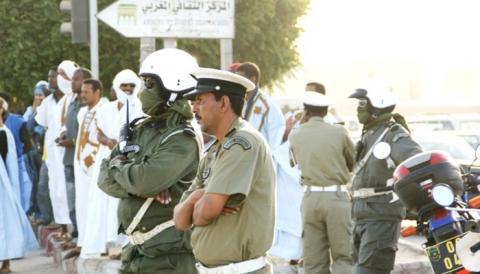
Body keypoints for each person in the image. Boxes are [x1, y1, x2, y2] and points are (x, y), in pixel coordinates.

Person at [98, 48, 202, 274]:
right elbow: (103, 178)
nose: (142, 91)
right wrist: (136, 184)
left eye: (149, 84)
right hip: (136, 253)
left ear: (173, 88)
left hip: (168, 259)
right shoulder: (141, 128)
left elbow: (144, 181)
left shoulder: (182, 139)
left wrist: (122, 169)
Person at [174, 68, 276, 274]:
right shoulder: (215, 150)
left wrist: (203, 202)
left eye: (200, 100)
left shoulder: (242, 143)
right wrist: (196, 197)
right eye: (193, 102)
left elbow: (206, 213)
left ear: (224, 103)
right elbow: (180, 220)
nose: (194, 108)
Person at [348, 85, 422, 274]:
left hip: (380, 215)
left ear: (377, 106)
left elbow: (417, 162)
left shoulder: (394, 134)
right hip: (362, 214)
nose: (359, 108)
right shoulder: (370, 133)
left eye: (363, 104)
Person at [289, 91, 355, 274]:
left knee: (314, 260)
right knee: (343, 256)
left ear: (306, 111)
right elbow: (352, 161)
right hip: (336, 197)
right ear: (326, 112)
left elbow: (293, 163)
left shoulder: (295, 134)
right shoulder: (339, 132)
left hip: (310, 198)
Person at [81, 69, 143, 258]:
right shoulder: (106, 109)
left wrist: (112, 143)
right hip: (105, 158)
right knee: (101, 201)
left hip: (126, 159)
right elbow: (98, 134)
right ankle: (103, 245)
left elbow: (136, 137)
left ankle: (122, 247)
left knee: (119, 202)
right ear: (116, 86)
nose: (127, 89)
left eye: (131, 86)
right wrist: (108, 142)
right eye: (123, 85)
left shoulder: (139, 108)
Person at [36, 61, 77, 236]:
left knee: (68, 191)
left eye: (61, 74)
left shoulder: (75, 99)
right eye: (54, 75)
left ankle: (72, 230)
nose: (55, 79)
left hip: (69, 153)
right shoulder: (49, 101)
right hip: (53, 153)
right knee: (56, 190)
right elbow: (41, 123)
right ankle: (63, 229)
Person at [0, 98, 38, 274]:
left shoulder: (4, 133)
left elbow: (7, 163)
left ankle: (6, 261)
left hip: (3, 185)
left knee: (5, 220)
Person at [57, 67, 91, 247]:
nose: (73, 82)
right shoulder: (73, 102)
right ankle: (77, 235)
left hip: (81, 161)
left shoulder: (88, 104)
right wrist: (64, 137)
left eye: (76, 79)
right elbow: (70, 125)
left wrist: (72, 141)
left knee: (81, 199)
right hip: (68, 159)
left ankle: (81, 238)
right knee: (72, 200)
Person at [0, 92, 33, 212]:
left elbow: (28, 145)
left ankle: (22, 214)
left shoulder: (18, 121)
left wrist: (16, 155)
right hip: (2, 163)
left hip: (17, 161)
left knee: (19, 190)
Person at [23, 81, 49, 222]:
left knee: (44, 185)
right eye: (37, 95)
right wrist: (35, 109)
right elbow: (27, 128)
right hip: (34, 153)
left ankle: (45, 214)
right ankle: (36, 212)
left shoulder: (51, 107)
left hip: (47, 152)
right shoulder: (30, 111)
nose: (40, 98)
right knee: (35, 183)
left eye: (42, 95)